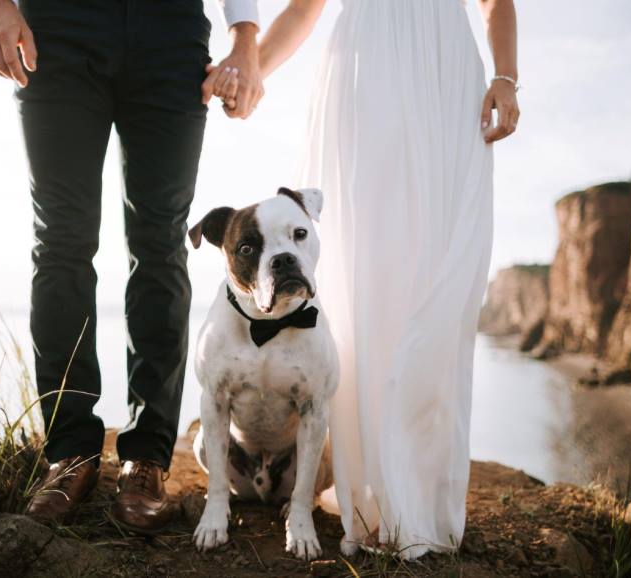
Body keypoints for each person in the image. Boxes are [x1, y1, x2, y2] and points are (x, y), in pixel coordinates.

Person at [211, 0, 519, 559]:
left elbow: (497, 3)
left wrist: (505, 76)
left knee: (437, 275)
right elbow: (305, 8)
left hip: (443, 67)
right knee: (364, 274)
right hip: (361, 68)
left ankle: (420, 494)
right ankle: (370, 495)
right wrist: (254, 68)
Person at [0, 0, 262, 534]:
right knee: (61, 239)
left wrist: (245, 37)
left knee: (160, 245)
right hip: (58, 28)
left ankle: (147, 460)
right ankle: (70, 454)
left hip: (171, 35)